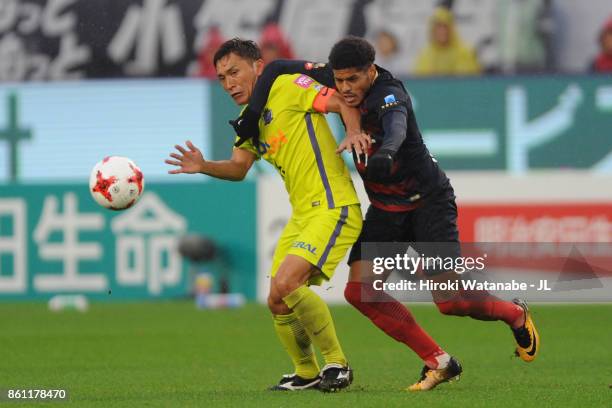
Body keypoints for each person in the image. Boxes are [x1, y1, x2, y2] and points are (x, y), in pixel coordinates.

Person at [231, 36, 540, 392]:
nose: (345, 89)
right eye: (339, 80)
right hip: (386, 210)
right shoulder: (338, 81)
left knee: (450, 301)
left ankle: (514, 313)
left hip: (428, 203)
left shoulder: (389, 95)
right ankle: (438, 361)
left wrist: (386, 154)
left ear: (371, 72)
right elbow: (277, 68)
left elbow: (396, 128)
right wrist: (253, 114)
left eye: (353, 81)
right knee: (361, 293)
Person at [166, 38, 365, 392]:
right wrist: (203, 166)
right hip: (303, 214)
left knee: (288, 284)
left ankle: (338, 364)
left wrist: (353, 134)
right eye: (222, 78)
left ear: (258, 66)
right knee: (276, 298)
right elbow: (240, 167)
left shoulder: (288, 86)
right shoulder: (248, 120)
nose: (228, 83)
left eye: (234, 72)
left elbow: (341, 101)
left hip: (333, 205)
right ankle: (305, 372)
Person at [413, 7, 481, 76]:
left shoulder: (465, 51)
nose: (442, 31)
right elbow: (421, 80)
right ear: (432, 31)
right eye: (438, 27)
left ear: (452, 29)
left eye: (445, 27)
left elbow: (467, 79)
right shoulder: (425, 54)